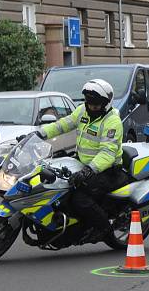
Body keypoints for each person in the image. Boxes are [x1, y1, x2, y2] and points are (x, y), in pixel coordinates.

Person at [39, 79, 125, 242]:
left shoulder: (112, 121)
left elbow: (107, 153)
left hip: (107, 171)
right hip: (82, 164)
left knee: (79, 197)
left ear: (105, 104)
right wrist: (40, 134)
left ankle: (104, 227)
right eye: (89, 103)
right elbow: (62, 125)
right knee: (58, 186)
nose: (91, 107)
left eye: (95, 105)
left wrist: (88, 171)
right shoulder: (82, 111)